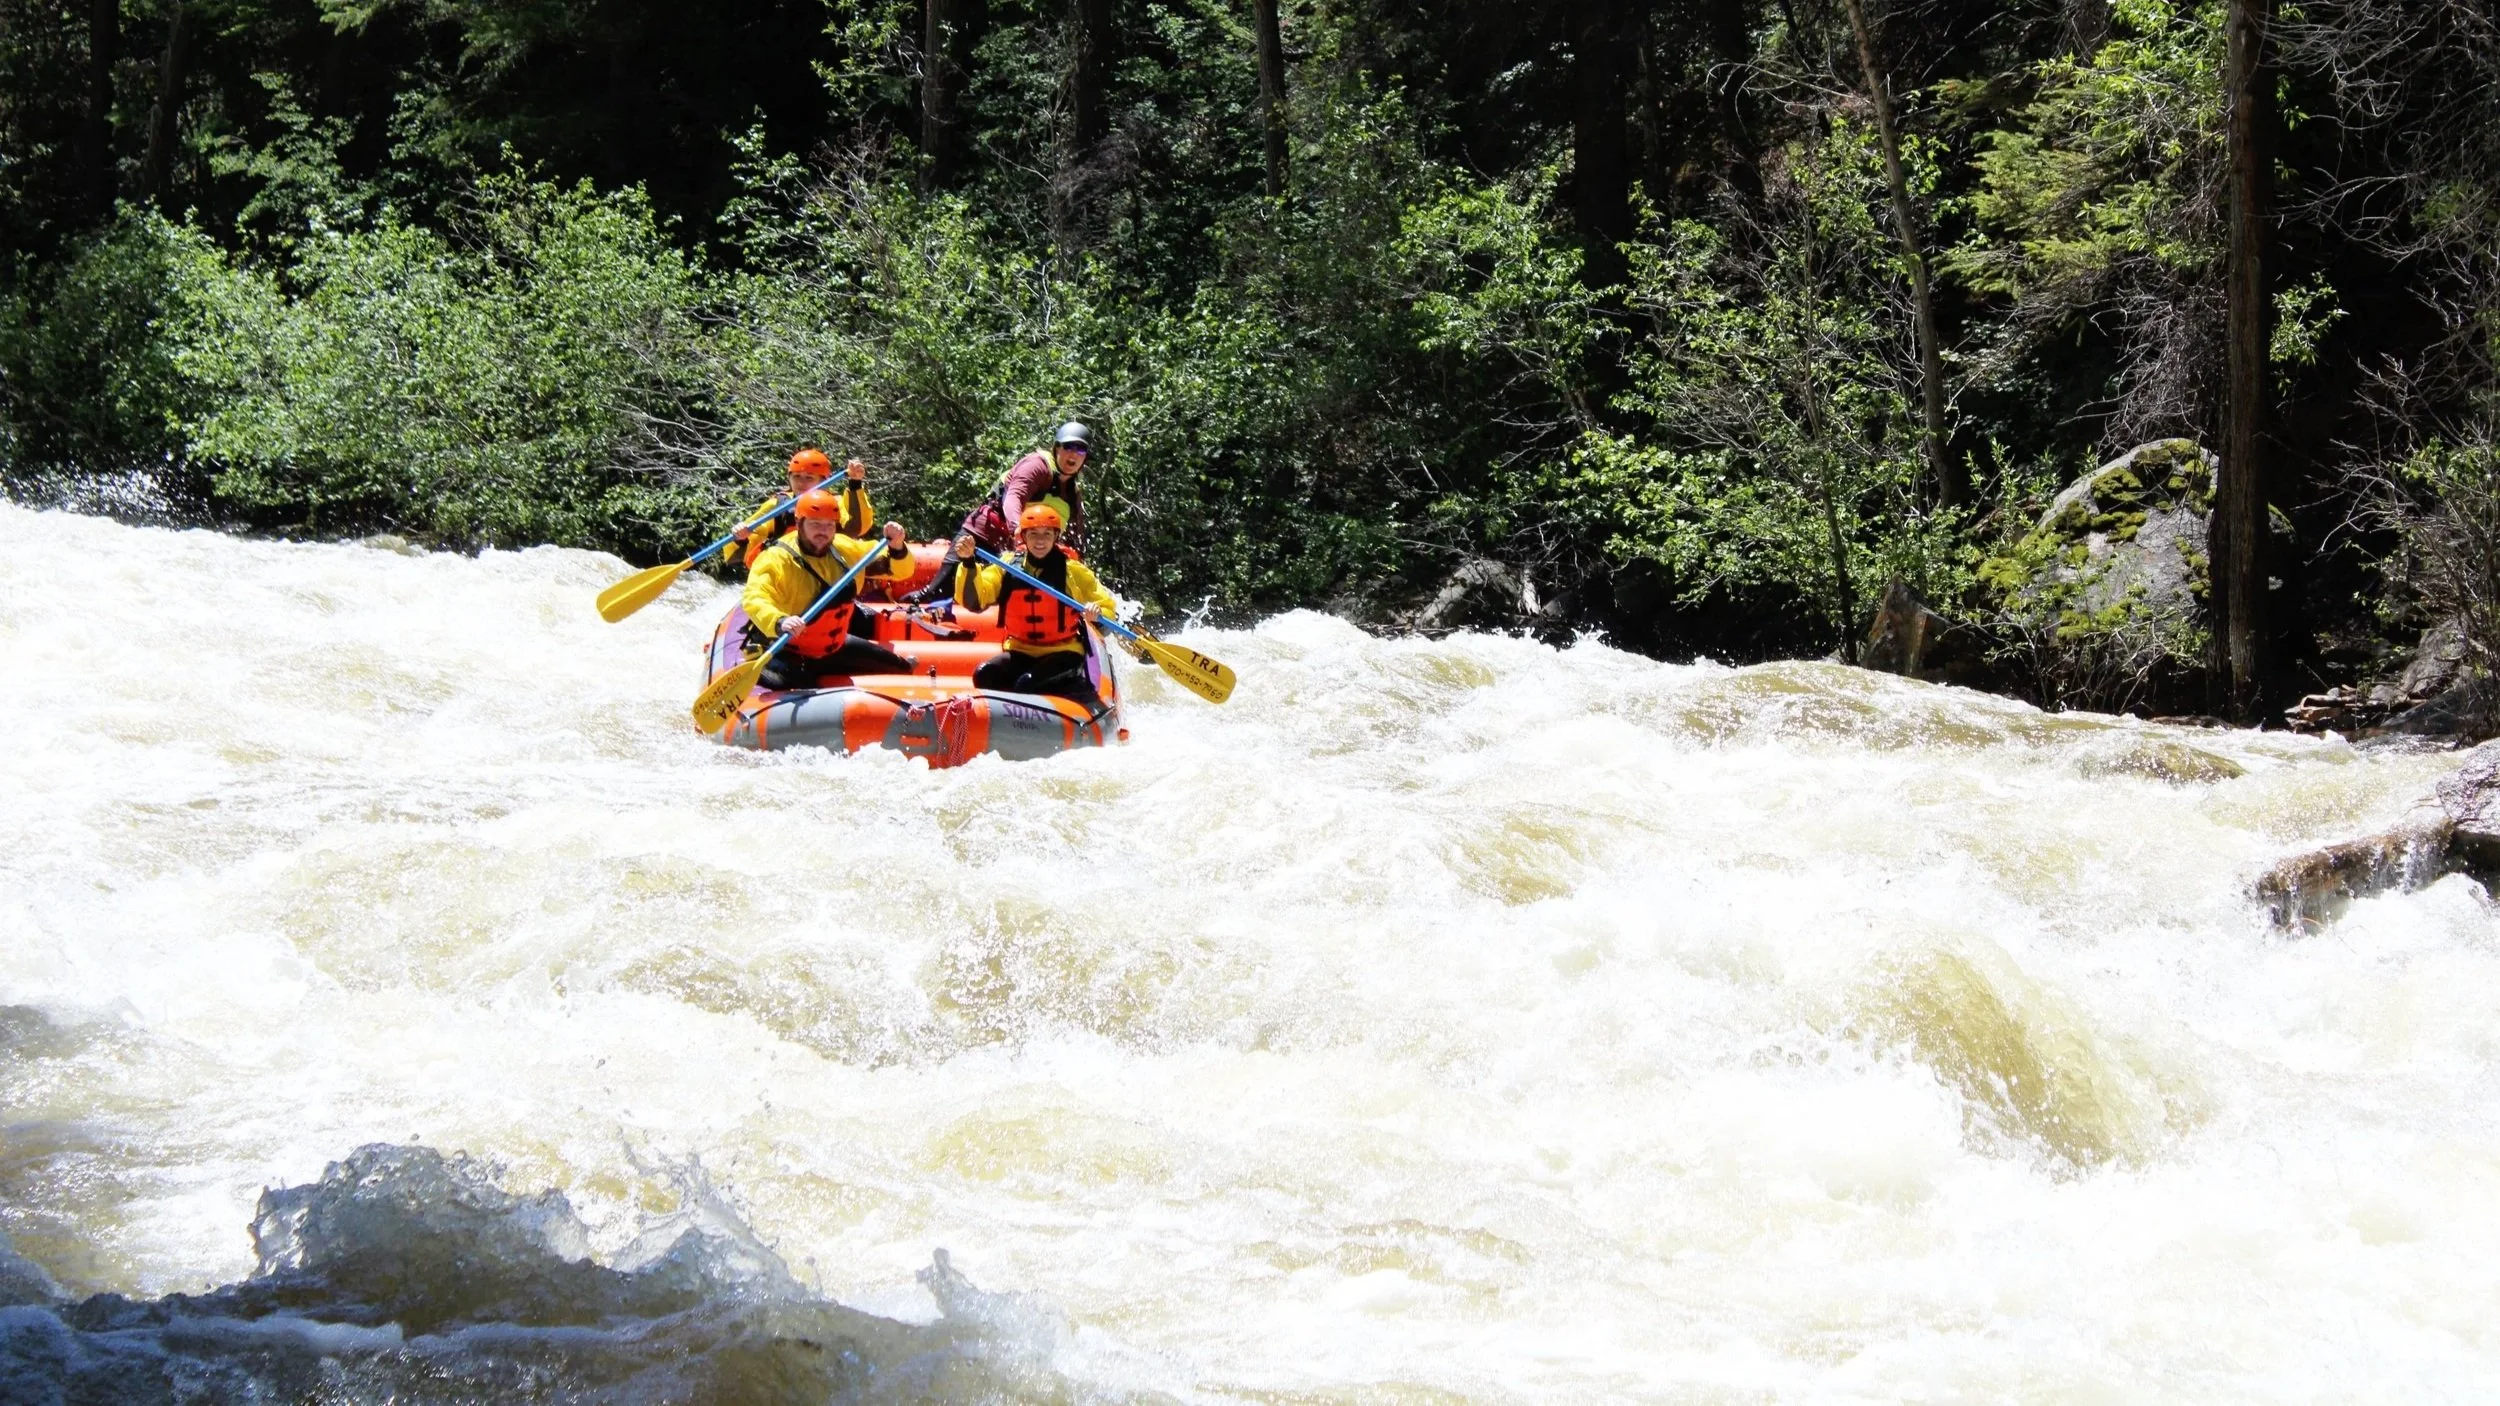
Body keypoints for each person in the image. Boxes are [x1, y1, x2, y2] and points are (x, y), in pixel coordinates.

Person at [743, 490, 918, 690]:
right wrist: (779, 620)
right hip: (787, 651)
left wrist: (897, 548)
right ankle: (761, 666)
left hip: (833, 647)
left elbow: (897, 570)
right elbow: (754, 597)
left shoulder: (844, 549)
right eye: (815, 524)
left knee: (900, 668)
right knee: (802, 689)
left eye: (829, 525)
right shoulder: (776, 558)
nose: (823, 532)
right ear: (799, 523)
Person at [952, 504, 1119, 708]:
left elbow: (1108, 612)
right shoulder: (1006, 568)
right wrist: (969, 563)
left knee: (1027, 684)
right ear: (1024, 537)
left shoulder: (1073, 572)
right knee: (984, 675)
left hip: (1063, 652)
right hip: (1021, 651)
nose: (1040, 541)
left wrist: (1098, 614)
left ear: (1055, 536)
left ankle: (1073, 688)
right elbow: (974, 601)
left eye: (1047, 534)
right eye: (1033, 534)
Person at [907, 421, 1091, 604]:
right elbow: (1013, 497)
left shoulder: (1072, 494)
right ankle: (922, 598)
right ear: (1057, 448)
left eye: (1081, 450)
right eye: (1068, 447)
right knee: (939, 590)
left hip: (1018, 551)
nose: (1074, 454)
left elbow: (1076, 538)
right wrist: (1017, 529)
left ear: (1085, 457)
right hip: (984, 535)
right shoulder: (1037, 466)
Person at [734, 447, 873, 569]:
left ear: (823, 481)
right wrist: (741, 536)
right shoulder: (778, 504)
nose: (801, 483)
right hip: (787, 569)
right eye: (796, 477)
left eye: (809, 478)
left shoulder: (835, 503)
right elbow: (753, 535)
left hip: (829, 570)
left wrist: (855, 484)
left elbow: (856, 528)